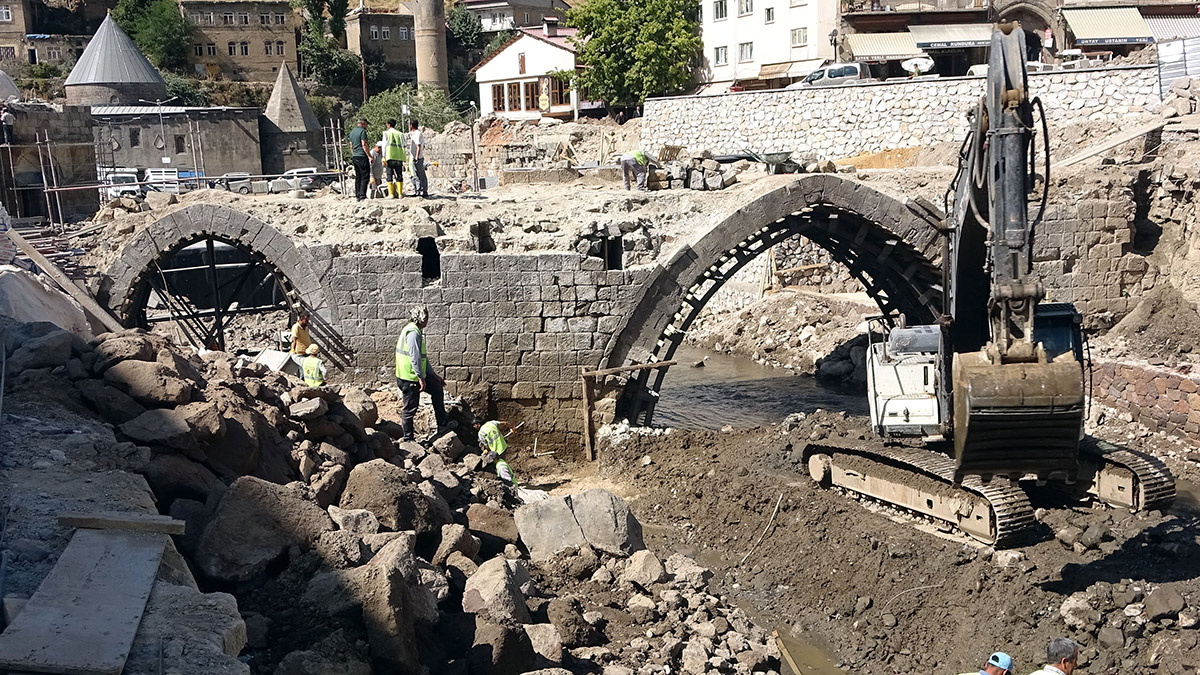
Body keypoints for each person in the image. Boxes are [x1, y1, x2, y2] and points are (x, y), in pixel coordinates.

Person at [394, 304, 450, 441]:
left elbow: (423, 357)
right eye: (427, 316)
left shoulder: (415, 331)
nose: (428, 319)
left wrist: (432, 375)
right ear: (421, 318)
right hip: (409, 378)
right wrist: (420, 377)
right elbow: (415, 357)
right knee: (410, 409)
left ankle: (442, 424)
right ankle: (408, 439)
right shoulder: (413, 333)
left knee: (437, 388)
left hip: (416, 376)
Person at [477, 419, 518, 485]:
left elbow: (486, 446)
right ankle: (507, 478)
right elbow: (505, 423)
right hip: (503, 447)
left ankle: (507, 481)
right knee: (502, 463)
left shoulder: (481, 433)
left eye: (474, 425)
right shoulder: (491, 423)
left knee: (500, 466)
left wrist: (486, 450)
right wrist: (512, 427)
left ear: (478, 424)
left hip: (495, 451)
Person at [381, 118, 407, 198]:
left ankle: (391, 194)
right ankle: (400, 194)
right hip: (399, 157)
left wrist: (383, 156)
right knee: (399, 175)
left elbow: (384, 145)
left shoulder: (386, 133)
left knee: (389, 175)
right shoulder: (400, 134)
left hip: (390, 156)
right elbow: (405, 144)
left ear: (389, 124)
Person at [349, 117, 372, 201]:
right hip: (362, 155)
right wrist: (369, 156)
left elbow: (351, 145)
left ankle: (357, 195)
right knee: (364, 176)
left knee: (358, 176)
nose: (367, 126)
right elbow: (364, 144)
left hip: (355, 156)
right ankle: (362, 195)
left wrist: (353, 154)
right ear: (363, 123)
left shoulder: (352, 132)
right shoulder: (362, 131)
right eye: (366, 124)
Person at [408, 119, 429, 198]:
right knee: (417, 174)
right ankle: (418, 190)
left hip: (417, 158)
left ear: (411, 125)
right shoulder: (417, 133)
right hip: (417, 157)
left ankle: (423, 191)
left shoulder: (416, 134)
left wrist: (416, 157)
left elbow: (418, 146)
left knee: (421, 174)